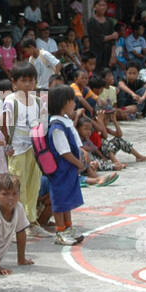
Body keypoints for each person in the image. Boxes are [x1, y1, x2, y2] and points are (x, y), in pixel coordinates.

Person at [42, 86, 86, 245]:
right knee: (60, 200)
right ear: (63, 103)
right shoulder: (56, 127)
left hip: (68, 169)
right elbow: (64, 152)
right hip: (61, 169)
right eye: (71, 101)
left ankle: (68, 227)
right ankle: (60, 231)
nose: (74, 103)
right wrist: (78, 163)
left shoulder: (64, 120)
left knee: (67, 199)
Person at [3, 63, 43, 230]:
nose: (28, 84)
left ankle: (31, 219)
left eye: (31, 80)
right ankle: (19, 223)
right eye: (24, 80)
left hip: (34, 148)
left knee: (34, 185)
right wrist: (7, 146)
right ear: (14, 82)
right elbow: (5, 126)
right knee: (18, 187)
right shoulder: (10, 101)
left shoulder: (38, 101)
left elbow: (40, 125)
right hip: (17, 148)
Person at [0, 173, 33, 269]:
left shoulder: (18, 207)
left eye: (15, 193)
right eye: (5, 194)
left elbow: (21, 232)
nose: (11, 198)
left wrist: (21, 259)